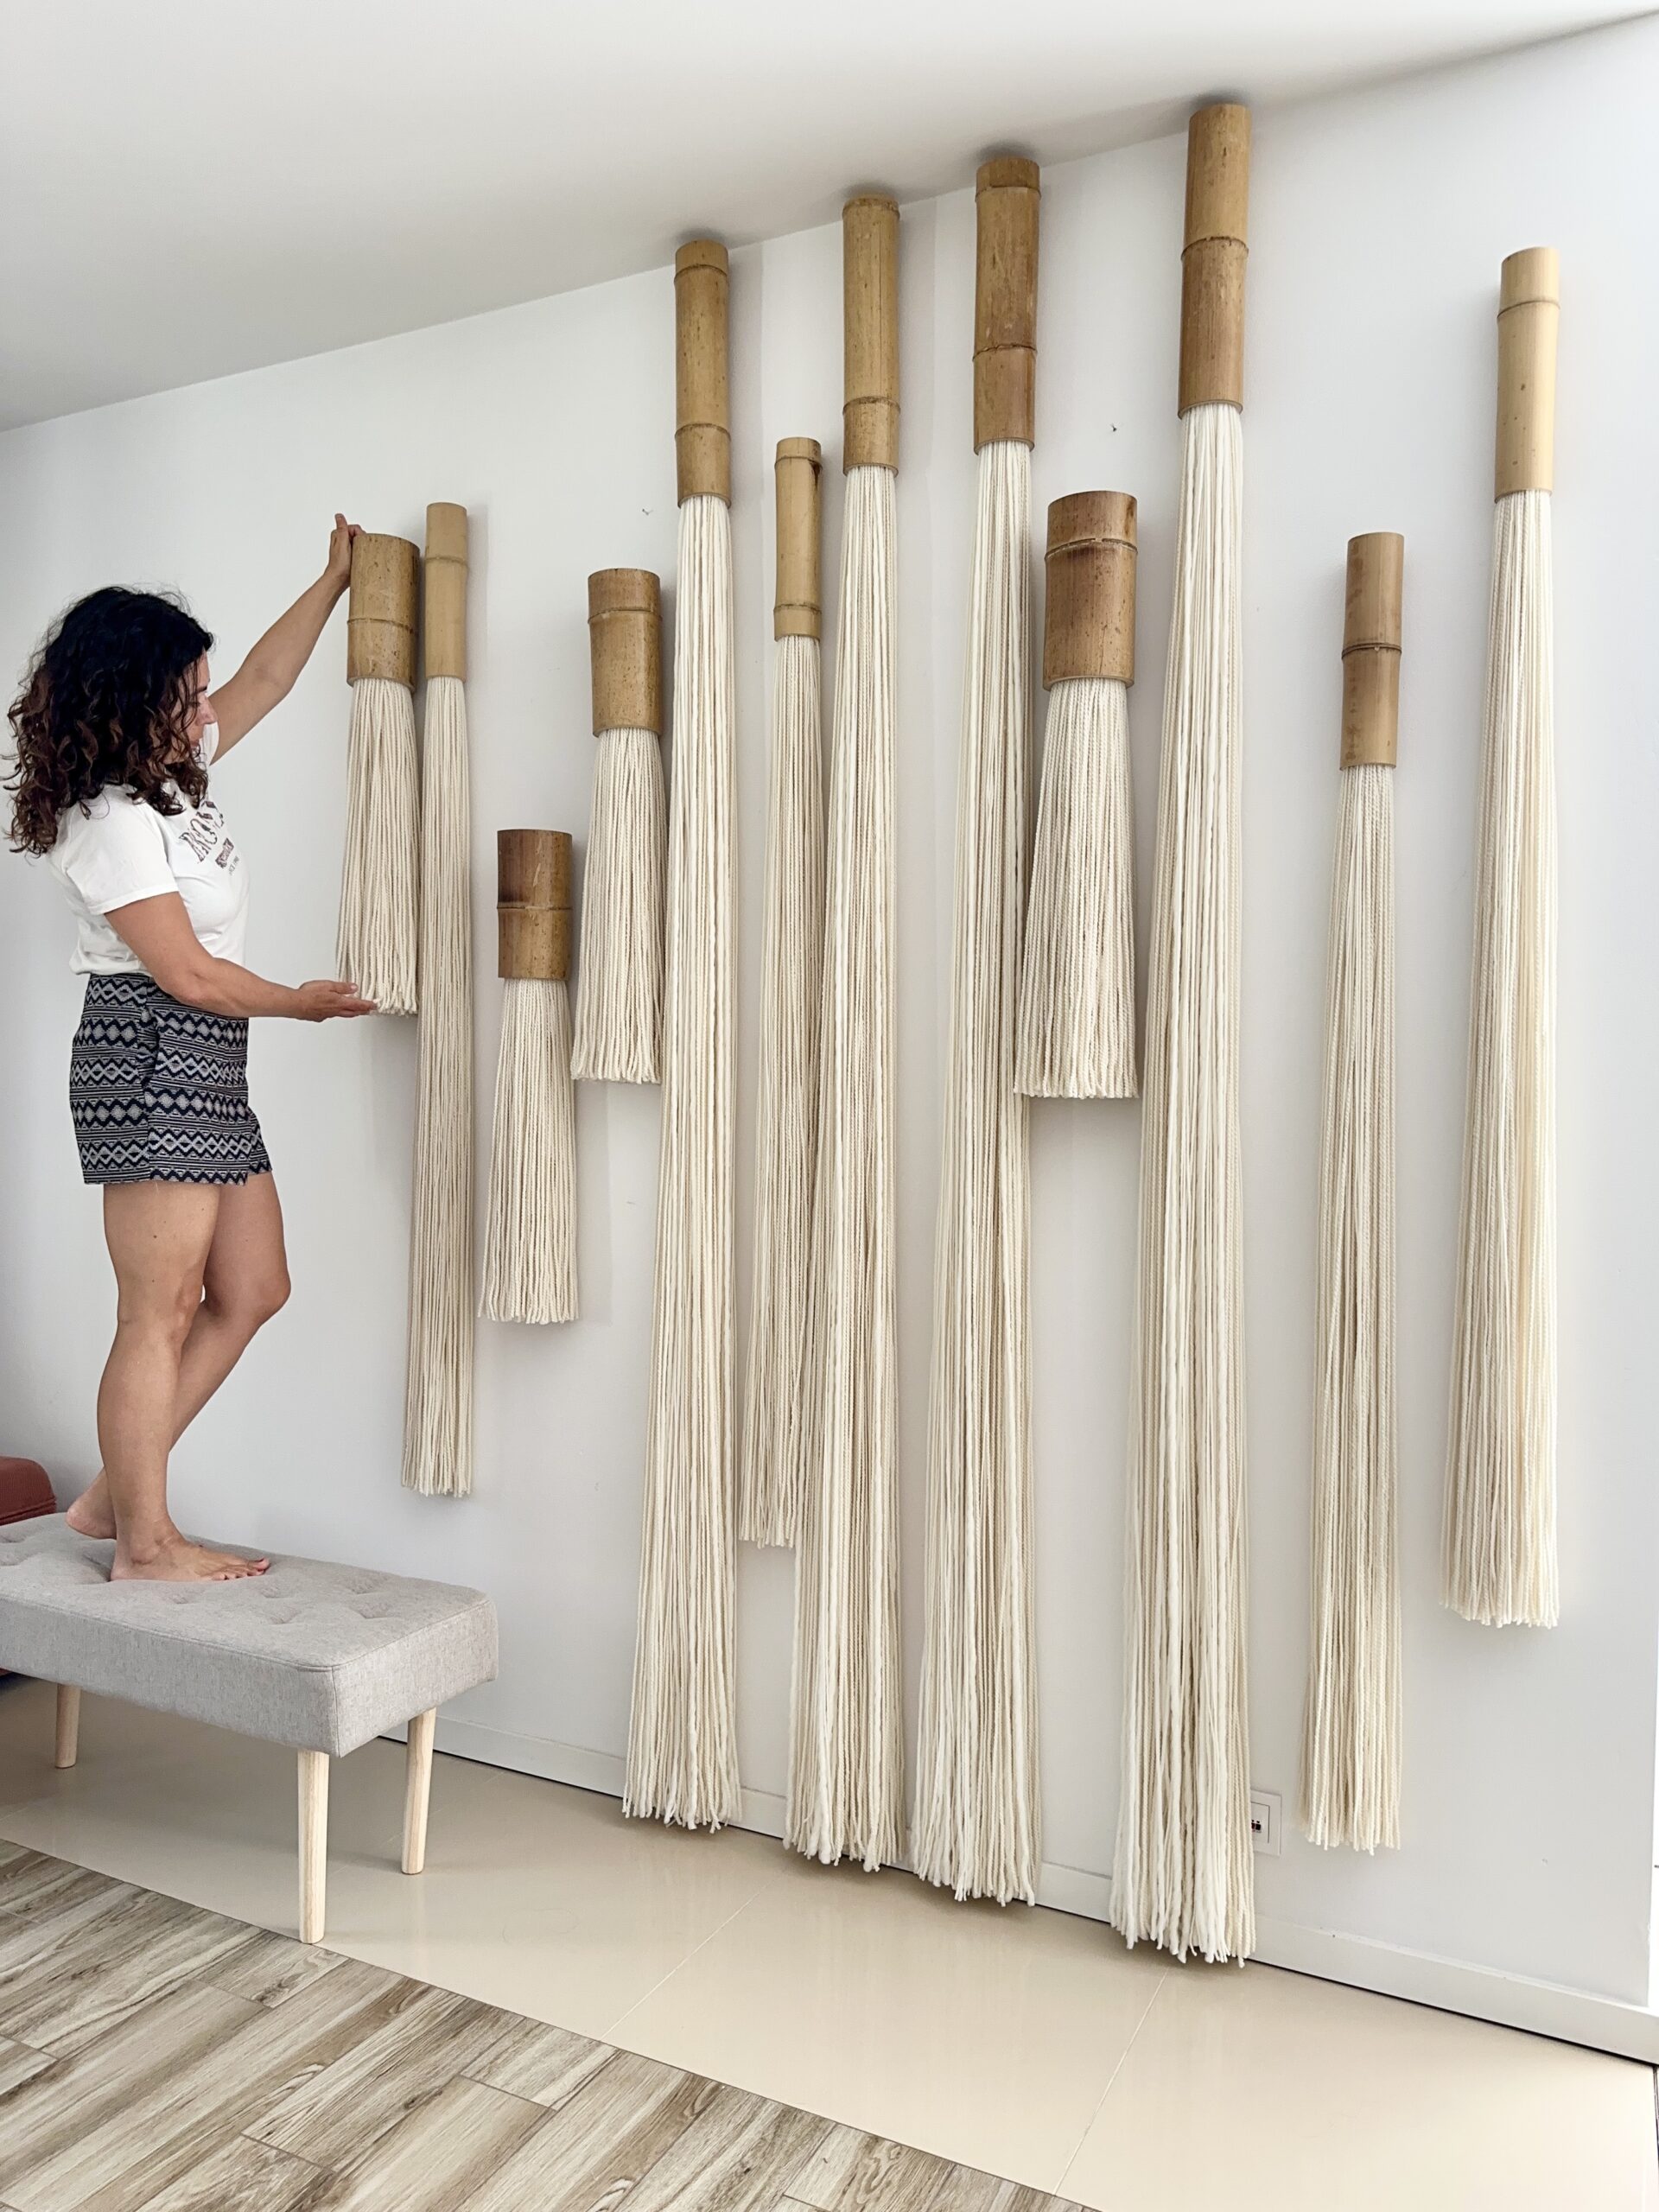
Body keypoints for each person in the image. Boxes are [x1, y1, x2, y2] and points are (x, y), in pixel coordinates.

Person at [5, 517, 375, 1582]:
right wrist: (300, 1003)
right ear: (132, 700)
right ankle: (146, 1542)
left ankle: (108, 1498)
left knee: (253, 1287)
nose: (207, 711)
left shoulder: (171, 775)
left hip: (207, 1057)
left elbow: (266, 677)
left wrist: (333, 580)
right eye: (188, 695)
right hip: (152, 1046)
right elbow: (190, 974)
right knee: (158, 1310)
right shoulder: (108, 821)